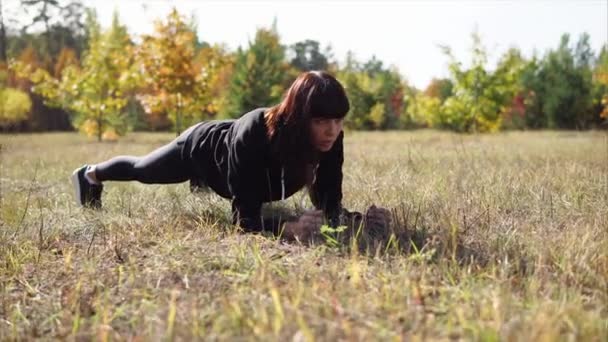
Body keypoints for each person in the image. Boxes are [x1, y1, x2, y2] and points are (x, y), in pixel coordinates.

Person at [70, 71, 390, 240]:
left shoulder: (331, 139)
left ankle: (200, 185)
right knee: (145, 170)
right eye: (321, 121)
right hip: (203, 147)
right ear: (298, 116)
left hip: (233, 157)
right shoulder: (255, 132)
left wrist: (357, 221)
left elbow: (329, 202)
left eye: (338, 120)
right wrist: (288, 228)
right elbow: (244, 221)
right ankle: (90, 174)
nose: (331, 130)